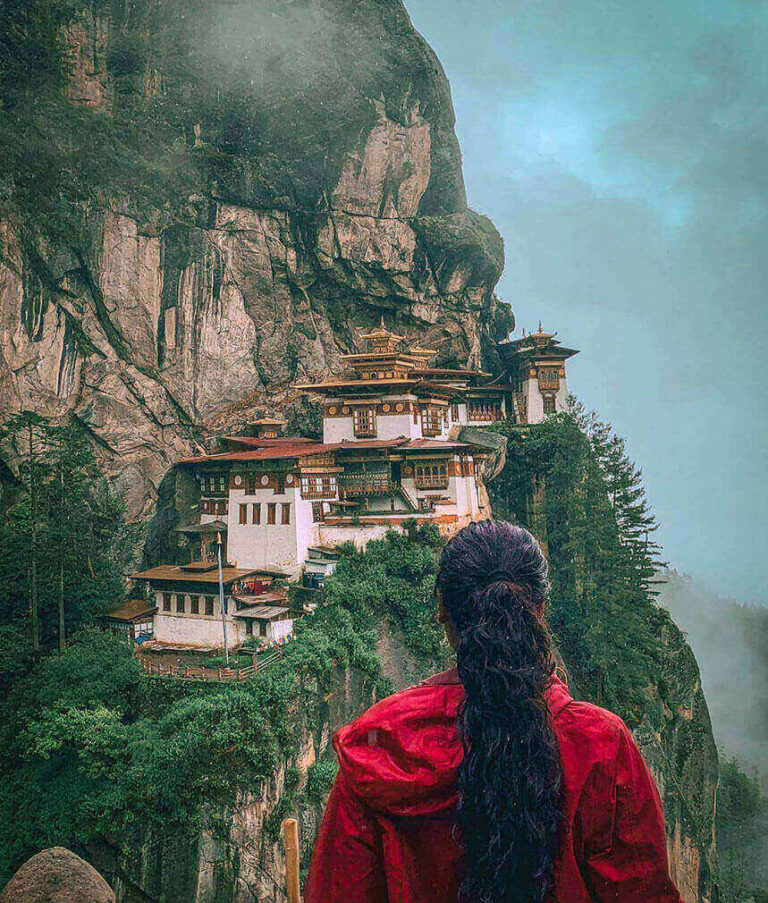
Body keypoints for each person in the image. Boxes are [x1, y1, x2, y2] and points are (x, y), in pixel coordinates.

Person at [305, 520, 684, 903]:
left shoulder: (382, 746)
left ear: (442, 609)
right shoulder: (597, 742)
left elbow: (340, 890)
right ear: (539, 610)